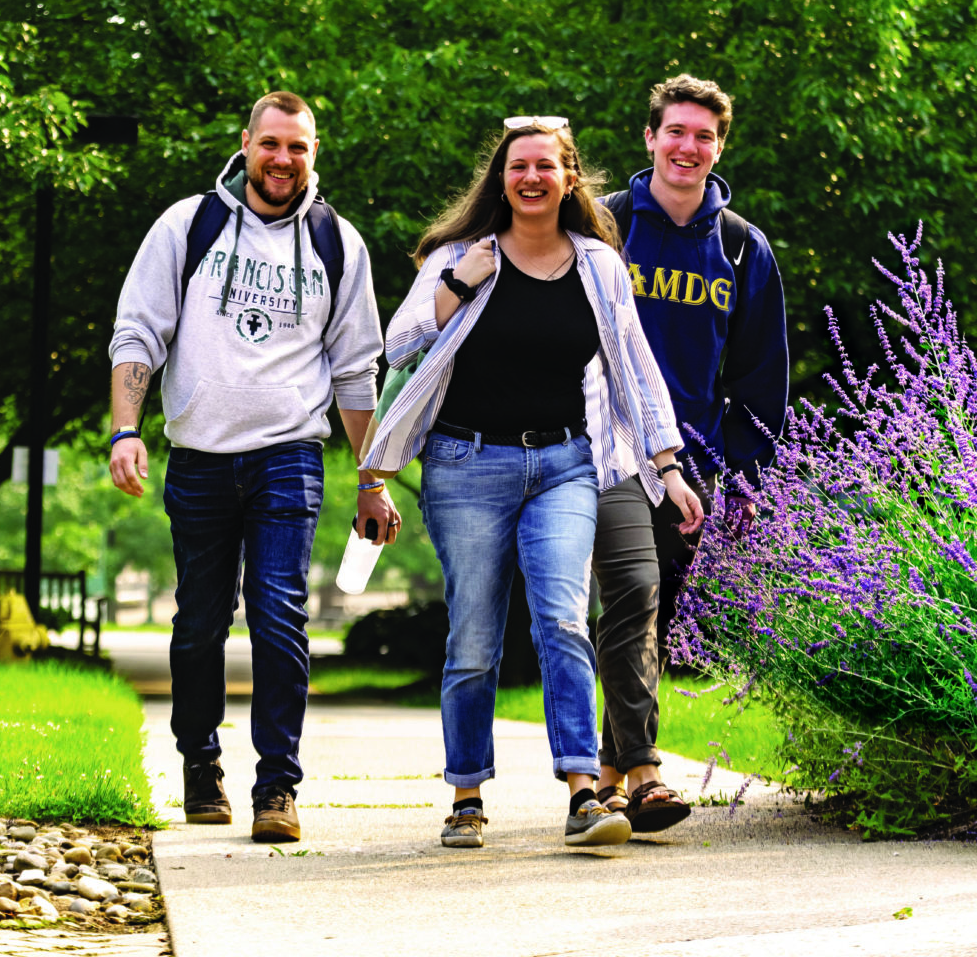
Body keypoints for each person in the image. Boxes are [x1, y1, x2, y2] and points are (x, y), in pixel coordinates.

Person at [360, 116, 703, 849]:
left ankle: (584, 795)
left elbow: (636, 370)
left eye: (546, 166)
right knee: (475, 639)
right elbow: (399, 342)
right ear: (501, 178)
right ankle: (465, 796)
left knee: (562, 620)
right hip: (465, 465)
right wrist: (459, 281)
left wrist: (666, 467)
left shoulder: (598, 265)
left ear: (569, 177)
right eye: (518, 167)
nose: (532, 178)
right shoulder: (461, 255)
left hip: (564, 464)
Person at [108, 91, 399, 843]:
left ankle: (278, 786)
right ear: (247, 143)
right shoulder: (188, 224)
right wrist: (124, 429)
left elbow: (355, 372)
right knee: (200, 622)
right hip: (200, 456)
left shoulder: (340, 242)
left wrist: (372, 479)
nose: (283, 160)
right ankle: (200, 763)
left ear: (314, 152)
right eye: (271, 144)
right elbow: (138, 331)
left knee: (278, 617)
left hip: (289, 455)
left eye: (298, 147)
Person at [591, 74, 788, 831]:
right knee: (633, 599)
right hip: (601, 451)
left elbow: (760, 380)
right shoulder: (603, 226)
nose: (688, 147)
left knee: (652, 612)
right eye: (675, 131)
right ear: (650, 138)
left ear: (718, 147)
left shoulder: (742, 249)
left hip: (690, 465)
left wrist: (742, 483)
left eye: (704, 136)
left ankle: (608, 778)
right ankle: (641, 777)